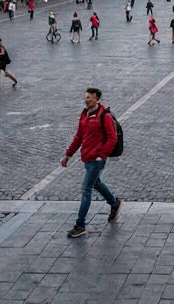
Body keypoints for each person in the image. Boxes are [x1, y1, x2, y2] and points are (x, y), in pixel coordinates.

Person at [61, 87, 122, 238]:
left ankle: (80, 224)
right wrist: (67, 155)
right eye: (86, 97)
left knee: (86, 188)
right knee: (96, 183)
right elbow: (78, 137)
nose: (86, 99)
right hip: (87, 157)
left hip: (96, 159)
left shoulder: (104, 116)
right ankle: (114, 203)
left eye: (89, 97)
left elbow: (112, 138)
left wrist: (101, 155)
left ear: (97, 99)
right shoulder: (85, 115)